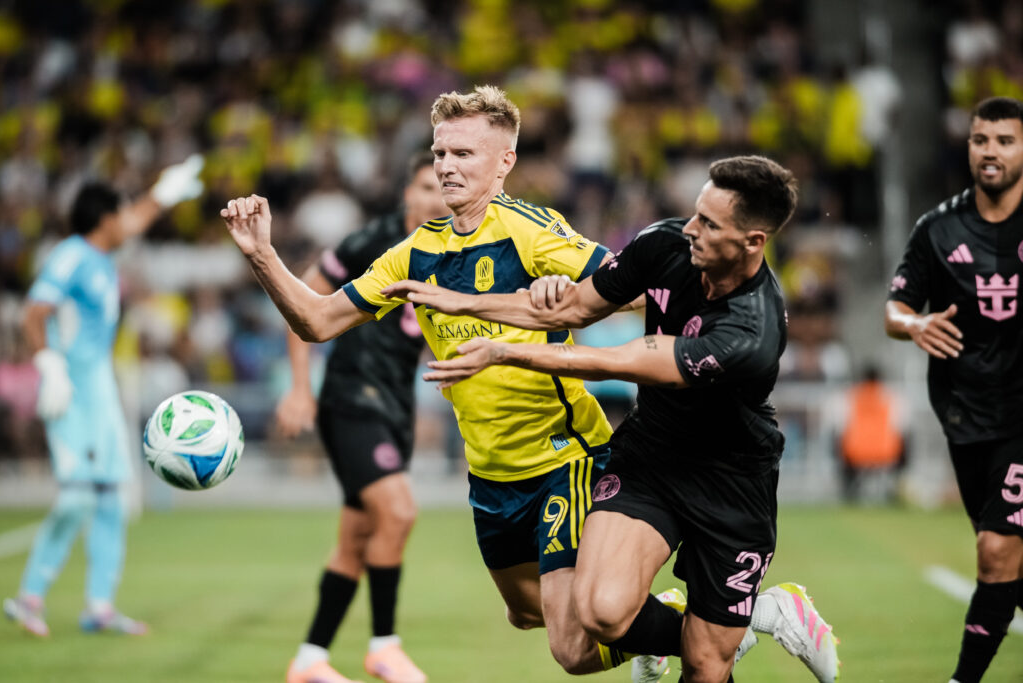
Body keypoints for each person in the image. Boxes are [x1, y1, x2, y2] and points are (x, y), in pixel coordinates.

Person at [222, 88, 830, 683]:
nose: (446, 166)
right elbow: (318, 321)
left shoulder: (532, 230)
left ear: (504, 162)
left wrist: (554, 298)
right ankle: (676, 627)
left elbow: (626, 293)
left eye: (463, 154)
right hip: (492, 469)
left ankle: (720, 632)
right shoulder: (414, 253)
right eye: (439, 153)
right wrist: (262, 255)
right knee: (526, 614)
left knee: (574, 644)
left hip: (564, 454)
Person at [383, 155, 840, 683]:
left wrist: (504, 352)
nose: (691, 229)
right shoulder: (665, 243)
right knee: (599, 613)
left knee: (705, 666)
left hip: (732, 483)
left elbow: (614, 361)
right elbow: (573, 308)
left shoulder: (750, 331)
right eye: (696, 213)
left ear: (753, 242)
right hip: (650, 457)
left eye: (710, 225)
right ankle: (733, 621)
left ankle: (770, 612)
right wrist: (461, 303)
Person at [3, 155, 205, 637]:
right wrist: (49, 365)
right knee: (77, 497)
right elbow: (33, 313)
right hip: (69, 390)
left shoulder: (99, 256)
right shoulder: (71, 256)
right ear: (103, 219)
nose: (127, 220)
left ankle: (99, 606)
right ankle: (29, 597)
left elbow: (138, 220)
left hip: (100, 391)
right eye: (121, 211)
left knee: (113, 497)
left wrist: (164, 192)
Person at [278, 152, 446, 683]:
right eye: (426, 187)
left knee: (354, 541)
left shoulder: (455, 250)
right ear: (407, 193)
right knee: (399, 512)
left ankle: (309, 659)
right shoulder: (372, 242)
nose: (436, 199)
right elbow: (301, 301)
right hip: (352, 398)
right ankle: (384, 647)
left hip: (394, 406)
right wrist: (301, 388)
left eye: (443, 189)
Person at [884, 96, 1023, 683]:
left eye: (1005, 140)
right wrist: (915, 324)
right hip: (966, 416)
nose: (991, 151)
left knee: (996, 551)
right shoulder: (938, 228)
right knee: (1009, 567)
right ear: (967, 146)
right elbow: (894, 309)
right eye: (980, 140)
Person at [835, 364, 906, 503]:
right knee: (905, 442)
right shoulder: (892, 397)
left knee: (839, 442)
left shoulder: (849, 397)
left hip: (855, 453)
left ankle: (849, 491)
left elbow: (839, 427)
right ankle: (896, 487)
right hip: (887, 453)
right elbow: (902, 428)